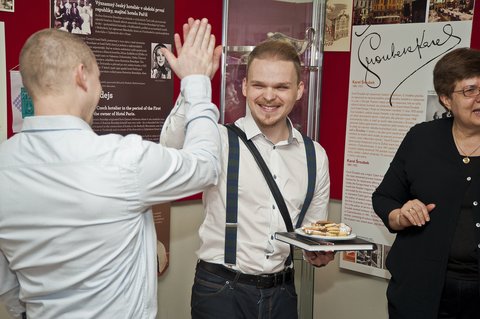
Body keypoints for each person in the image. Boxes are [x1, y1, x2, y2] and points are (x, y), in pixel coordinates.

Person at [0, 18, 222, 319]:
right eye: (99, 78)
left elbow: (6, 279)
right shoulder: (123, 160)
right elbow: (206, 166)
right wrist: (196, 82)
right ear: (82, 76)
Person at [161, 31, 333, 318]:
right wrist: (191, 85)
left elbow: (312, 230)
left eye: (281, 87)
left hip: (283, 293)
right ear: (243, 86)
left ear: (300, 90)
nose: (268, 96)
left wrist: (317, 252)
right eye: (258, 85)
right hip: (221, 291)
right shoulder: (218, 138)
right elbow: (169, 150)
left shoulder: (315, 155)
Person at [372, 47, 480, 319]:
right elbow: (384, 198)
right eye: (470, 90)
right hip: (420, 291)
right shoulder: (421, 138)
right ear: (445, 99)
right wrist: (400, 214)